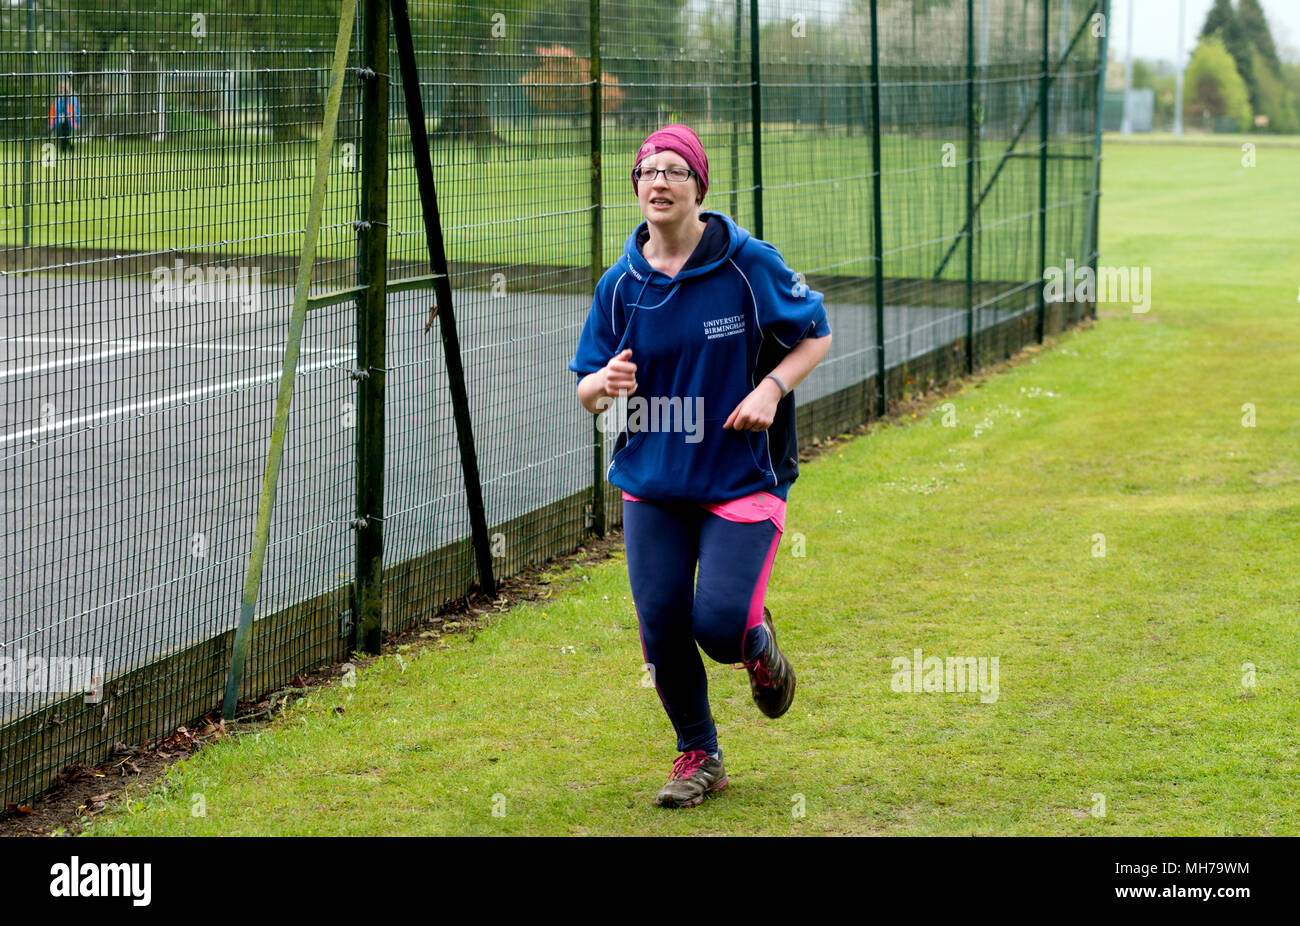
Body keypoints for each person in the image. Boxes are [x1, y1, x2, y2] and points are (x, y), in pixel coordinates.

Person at [569, 124, 832, 808]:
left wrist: (770, 390)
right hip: (652, 480)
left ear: (698, 186)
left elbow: (816, 333)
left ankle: (754, 640)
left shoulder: (748, 264)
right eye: (646, 172)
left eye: (673, 171)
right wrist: (606, 384)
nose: (657, 182)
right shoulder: (620, 283)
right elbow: (585, 389)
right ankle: (699, 755)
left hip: (740, 474)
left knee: (716, 625)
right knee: (660, 622)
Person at [49, 81, 81, 153]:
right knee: (61, 135)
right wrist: (51, 122)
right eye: (61, 90)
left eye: (63, 89)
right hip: (60, 121)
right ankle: (68, 149)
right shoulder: (57, 100)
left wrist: (77, 121)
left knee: (67, 135)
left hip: (70, 121)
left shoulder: (73, 99)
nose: (62, 91)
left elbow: (77, 111)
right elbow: (53, 111)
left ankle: (66, 149)